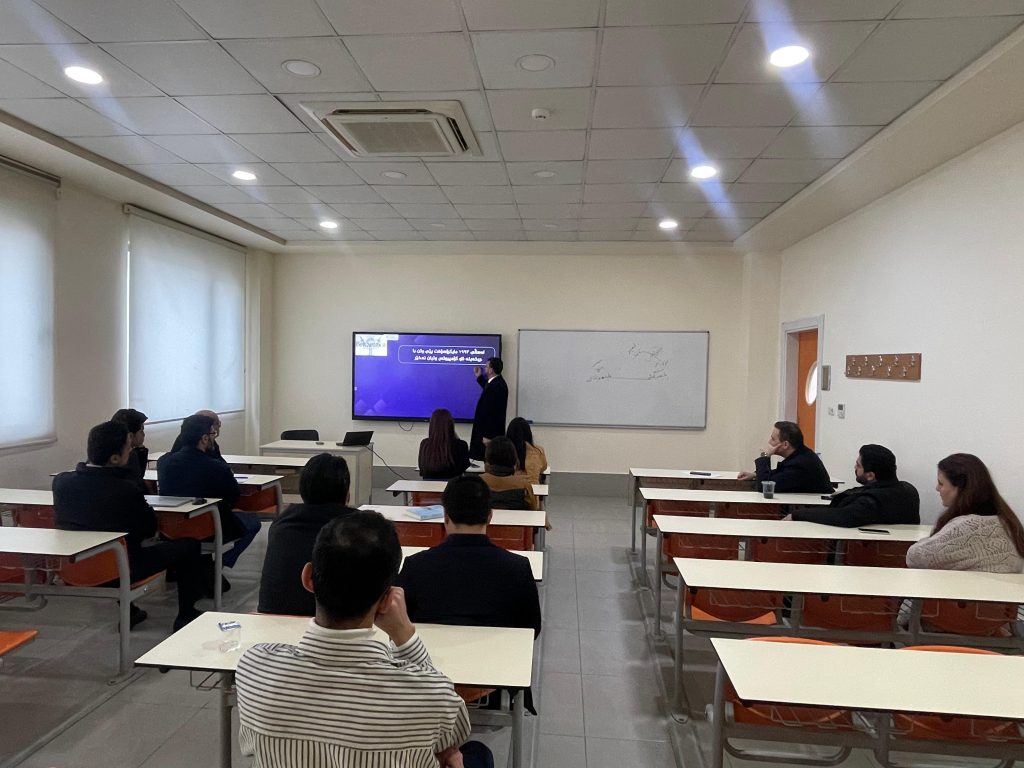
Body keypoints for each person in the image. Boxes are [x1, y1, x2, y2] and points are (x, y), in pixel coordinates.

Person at [236, 511, 494, 768]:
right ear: (387, 600)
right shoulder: (432, 694)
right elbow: (454, 735)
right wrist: (404, 634)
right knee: (474, 754)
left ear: (307, 578)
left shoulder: (254, 668)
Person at [52, 421, 204, 631]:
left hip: (73, 568)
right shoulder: (125, 489)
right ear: (115, 458)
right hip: (121, 568)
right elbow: (149, 529)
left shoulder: (61, 482)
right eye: (128, 448)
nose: (131, 452)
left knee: (111, 547)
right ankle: (186, 615)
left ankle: (132, 611)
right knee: (190, 546)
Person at [399, 476, 541, 637]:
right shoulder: (518, 567)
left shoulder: (415, 566)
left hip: (428, 652)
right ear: (490, 516)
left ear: (446, 516)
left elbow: (399, 621)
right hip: (498, 652)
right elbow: (532, 629)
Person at [157, 414, 261, 587]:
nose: (214, 437)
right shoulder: (216, 467)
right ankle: (214, 567)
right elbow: (233, 497)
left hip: (172, 528)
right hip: (209, 528)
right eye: (213, 434)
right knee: (253, 522)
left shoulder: (163, 463)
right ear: (204, 438)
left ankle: (203, 568)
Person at [258, 453, 358, 616]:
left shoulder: (282, 523)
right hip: (335, 621)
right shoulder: (359, 527)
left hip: (273, 618)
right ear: (346, 493)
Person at [906, 454, 1024, 572]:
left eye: (941, 483)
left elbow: (914, 556)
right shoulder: (1008, 522)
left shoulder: (966, 527)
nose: (937, 488)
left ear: (960, 488)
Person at [787, 445, 920, 527]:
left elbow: (843, 516)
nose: (854, 467)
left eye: (858, 465)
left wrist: (798, 514)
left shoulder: (871, 501)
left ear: (870, 475)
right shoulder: (909, 490)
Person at [737, 421, 833, 494]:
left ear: (785, 444)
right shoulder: (801, 454)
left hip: (819, 509)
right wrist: (755, 474)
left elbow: (765, 488)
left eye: (773, 439)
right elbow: (782, 474)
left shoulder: (800, 464)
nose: (769, 442)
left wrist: (765, 455)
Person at [480, 437, 539, 510]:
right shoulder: (523, 484)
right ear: (514, 458)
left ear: (488, 457)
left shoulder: (478, 482)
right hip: (517, 517)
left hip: (486, 517)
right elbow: (533, 509)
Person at [469, 357, 508, 461]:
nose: (485, 368)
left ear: (491, 370)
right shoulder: (496, 383)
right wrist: (479, 377)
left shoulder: (498, 386)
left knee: (489, 459)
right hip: (487, 433)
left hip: (489, 435)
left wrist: (488, 435)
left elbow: (493, 413)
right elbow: (488, 388)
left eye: (487, 366)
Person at [418, 408, 470, 480]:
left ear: (432, 425)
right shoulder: (461, 445)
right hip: (453, 486)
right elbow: (464, 467)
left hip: (428, 486)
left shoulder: (424, 444)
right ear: (451, 425)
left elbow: (422, 470)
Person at [110, 408, 148, 485]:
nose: (144, 434)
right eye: (141, 431)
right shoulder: (127, 456)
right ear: (130, 436)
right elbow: (137, 482)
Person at [505, 417, 547, 485]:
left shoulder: (505, 450)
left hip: (510, 488)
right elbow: (543, 468)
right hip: (532, 489)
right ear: (529, 433)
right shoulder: (538, 450)